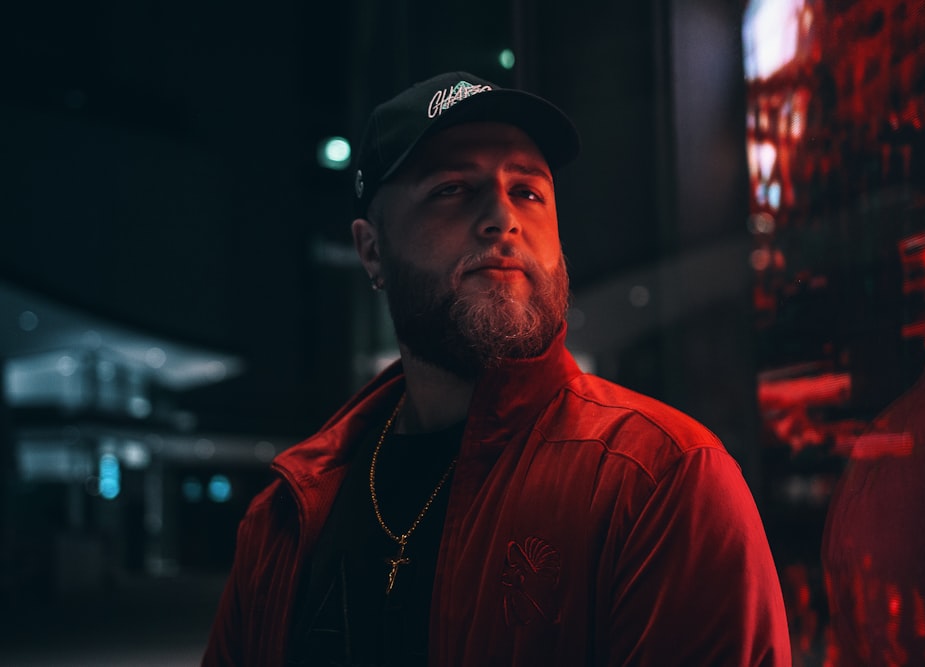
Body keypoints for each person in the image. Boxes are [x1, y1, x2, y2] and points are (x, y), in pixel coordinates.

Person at [202, 71, 791, 666]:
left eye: (529, 192)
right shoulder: (287, 515)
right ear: (372, 250)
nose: (502, 218)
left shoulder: (658, 481)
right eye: (452, 188)